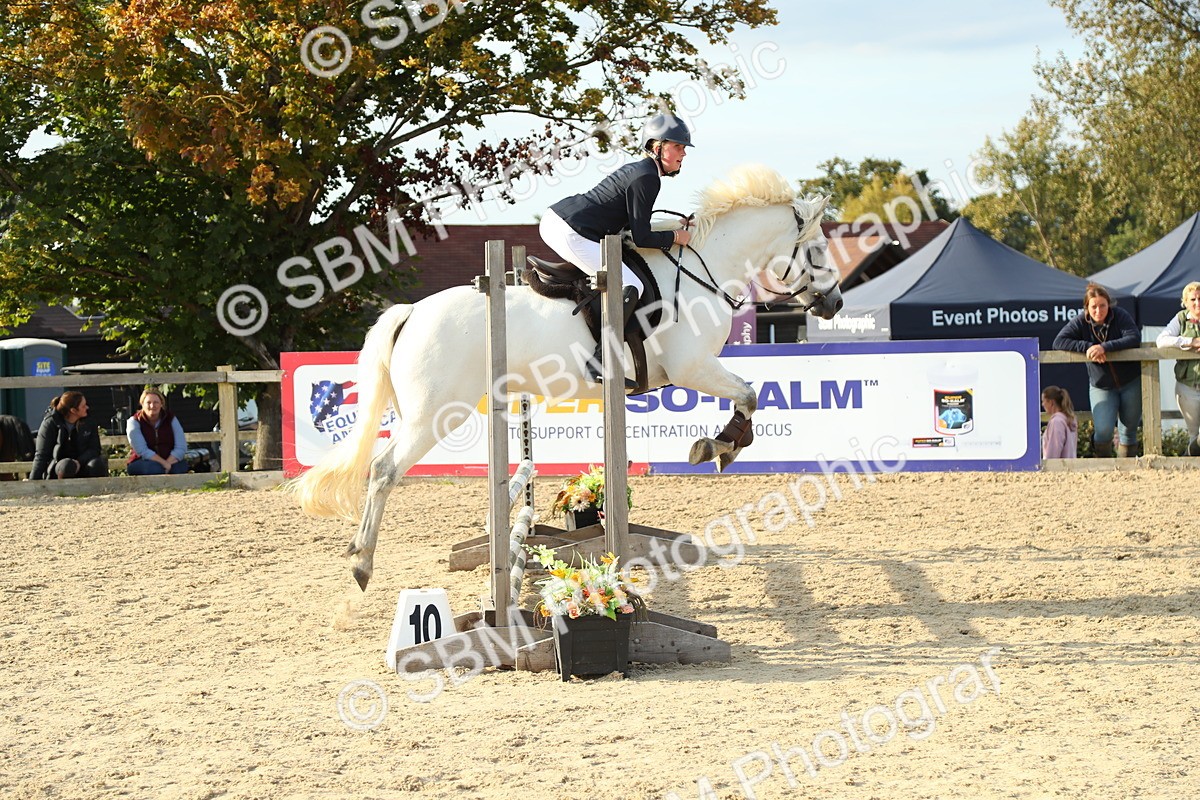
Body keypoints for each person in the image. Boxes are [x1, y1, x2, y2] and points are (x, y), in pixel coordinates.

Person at [540, 112, 693, 383]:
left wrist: (671, 226)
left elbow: (635, 227)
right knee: (632, 284)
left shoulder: (643, 170)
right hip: (570, 231)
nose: (683, 153)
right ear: (657, 147)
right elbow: (642, 238)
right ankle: (600, 362)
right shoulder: (648, 177)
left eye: (683, 148)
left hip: (561, 220)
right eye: (678, 146)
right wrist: (675, 237)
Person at [1053, 283, 1142, 458]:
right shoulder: (1080, 321)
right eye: (1093, 306)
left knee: (1129, 429)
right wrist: (1089, 347)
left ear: (1109, 304)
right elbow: (1059, 341)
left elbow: (1134, 337)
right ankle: (1104, 466)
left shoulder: (1120, 315)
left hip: (1130, 381)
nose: (1098, 310)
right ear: (1086, 307)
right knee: (1103, 430)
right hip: (1102, 385)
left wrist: (1104, 347)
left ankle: (1127, 469)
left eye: (1102, 305)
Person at [1154, 281, 1200, 456]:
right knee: (1193, 434)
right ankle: (1190, 463)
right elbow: (1161, 340)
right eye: (1193, 299)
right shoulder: (1181, 318)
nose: (1197, 303)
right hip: (1187, 386)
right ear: (1186, 302)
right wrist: (1190, 342)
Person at [30, 391, 108, 479]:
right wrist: (33, 481)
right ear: (73, 410)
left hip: (83, 463)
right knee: (67, 466)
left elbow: (95, 448)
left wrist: (78, 462)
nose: (87, 407)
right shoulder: (50, 423)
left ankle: (98, 488)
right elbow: (42, 455)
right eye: (83, 406)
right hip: (60, 466)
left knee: (96, 464)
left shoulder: (89, 421)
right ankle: (63, 487)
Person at [126, 387, 189, 475]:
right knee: (155, 469)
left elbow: (181, 447)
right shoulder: (134, 421)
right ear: (142, 404)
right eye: (148, 402)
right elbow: (142, 450)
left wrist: (168, 463)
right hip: (142, 461)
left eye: (156, 402)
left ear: (161, 404)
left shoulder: (171, 419)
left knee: (179, 468)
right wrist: (164, 464)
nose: (152, 406)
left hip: (170, 459)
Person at [1041, 385, 1078, 459]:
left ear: (1051, 402)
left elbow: (1054, 451)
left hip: (1058, 465)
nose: (1042, 404)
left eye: (1043, 401)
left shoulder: (1056, 422)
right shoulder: (1070, 419)